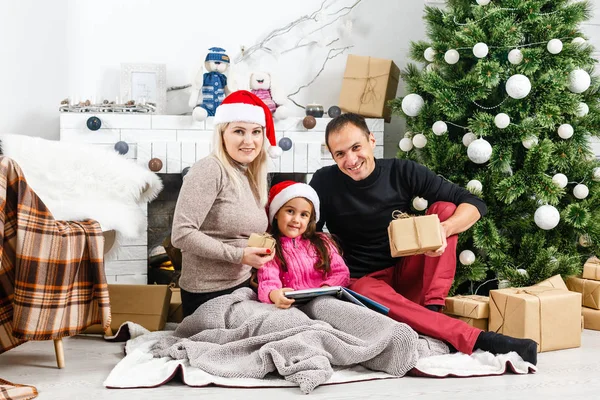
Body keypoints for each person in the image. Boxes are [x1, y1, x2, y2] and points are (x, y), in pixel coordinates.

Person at [309, 113, 537, 364]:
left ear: (371, 140)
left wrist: (445, 228)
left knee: (446, 210)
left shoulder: (401, 171)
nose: (351, 160)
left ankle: (432, 314)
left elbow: (474, 203)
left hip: (411, 275)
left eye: (356, 147)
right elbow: (307, 237)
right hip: (367, 284)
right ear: (332, 156)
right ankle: (480, 339)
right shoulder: (324, 181)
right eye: (340, 154)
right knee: (361, 288)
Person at [172, 90, 283, 318]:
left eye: (256, 132)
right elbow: (181, 234)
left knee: (300, 317)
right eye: (239, 131)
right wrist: (239, 256)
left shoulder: (249, 175)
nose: (249, 141)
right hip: (209, 293)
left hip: (243, 286)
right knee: (285, 328)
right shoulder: (210, 169)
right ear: (222, 134)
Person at [257, 181, 350, 308]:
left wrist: (326, 289)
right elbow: (268, 282)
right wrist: (275, 295)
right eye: (290, 211)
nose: (296, 220)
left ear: (310, 219)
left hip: (325, 300)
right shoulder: (271, 247)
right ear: (277, 213)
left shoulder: (323, 242)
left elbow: (341, 272)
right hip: (291, 305)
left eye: (303, 215)